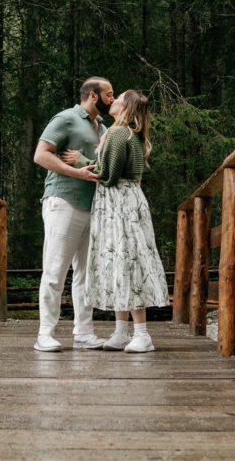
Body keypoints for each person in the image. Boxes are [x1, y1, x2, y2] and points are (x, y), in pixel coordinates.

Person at [61, 90, 168, 352]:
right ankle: (121, 332)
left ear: (127, 107)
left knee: (128, 262)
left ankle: (142, 335)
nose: (114, 101)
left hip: (119, 202)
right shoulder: (133, 134)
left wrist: (81, 161)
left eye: (118, 98)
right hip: (126, 201)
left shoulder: (120, 133)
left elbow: (107, 175)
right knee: (122, 263)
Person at [30, 77, 113, 352]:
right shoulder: (66, 118)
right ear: (92, 95)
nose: (112, 100)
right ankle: (45, 334)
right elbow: (41, 155)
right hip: (63, 201)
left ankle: (84, 333)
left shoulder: (103, 127)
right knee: (55, 270)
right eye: (108, 94)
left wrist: (84, 164)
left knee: (86, 275)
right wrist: (76, 172)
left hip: (93, 208)